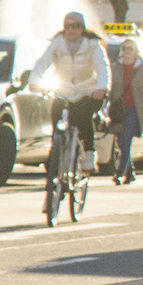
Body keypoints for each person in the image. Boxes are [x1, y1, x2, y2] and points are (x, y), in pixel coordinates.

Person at [22, 12, 113, 177]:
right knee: (56, 113)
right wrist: (34, 81)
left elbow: (102, 67)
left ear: (82, 28)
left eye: (75, 26)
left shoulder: (93, 46)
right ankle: (56, 150)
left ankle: (89, 154)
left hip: (87, 91)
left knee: (83, 116)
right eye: (67, 26)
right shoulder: (56, 45)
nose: (71, 30)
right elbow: (42, 63)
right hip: (63, 90)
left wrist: (102, 88)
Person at [107, 38, 143, 184]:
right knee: (121, 141)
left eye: (130, 48)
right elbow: (109, 88)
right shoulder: (115, 68)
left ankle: (120, 172)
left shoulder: (141, 71)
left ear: (136, 52)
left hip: (134, 110)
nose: (127, 51)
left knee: (126, 140)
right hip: (118, 110)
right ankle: (130, 171)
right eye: (124, 48)